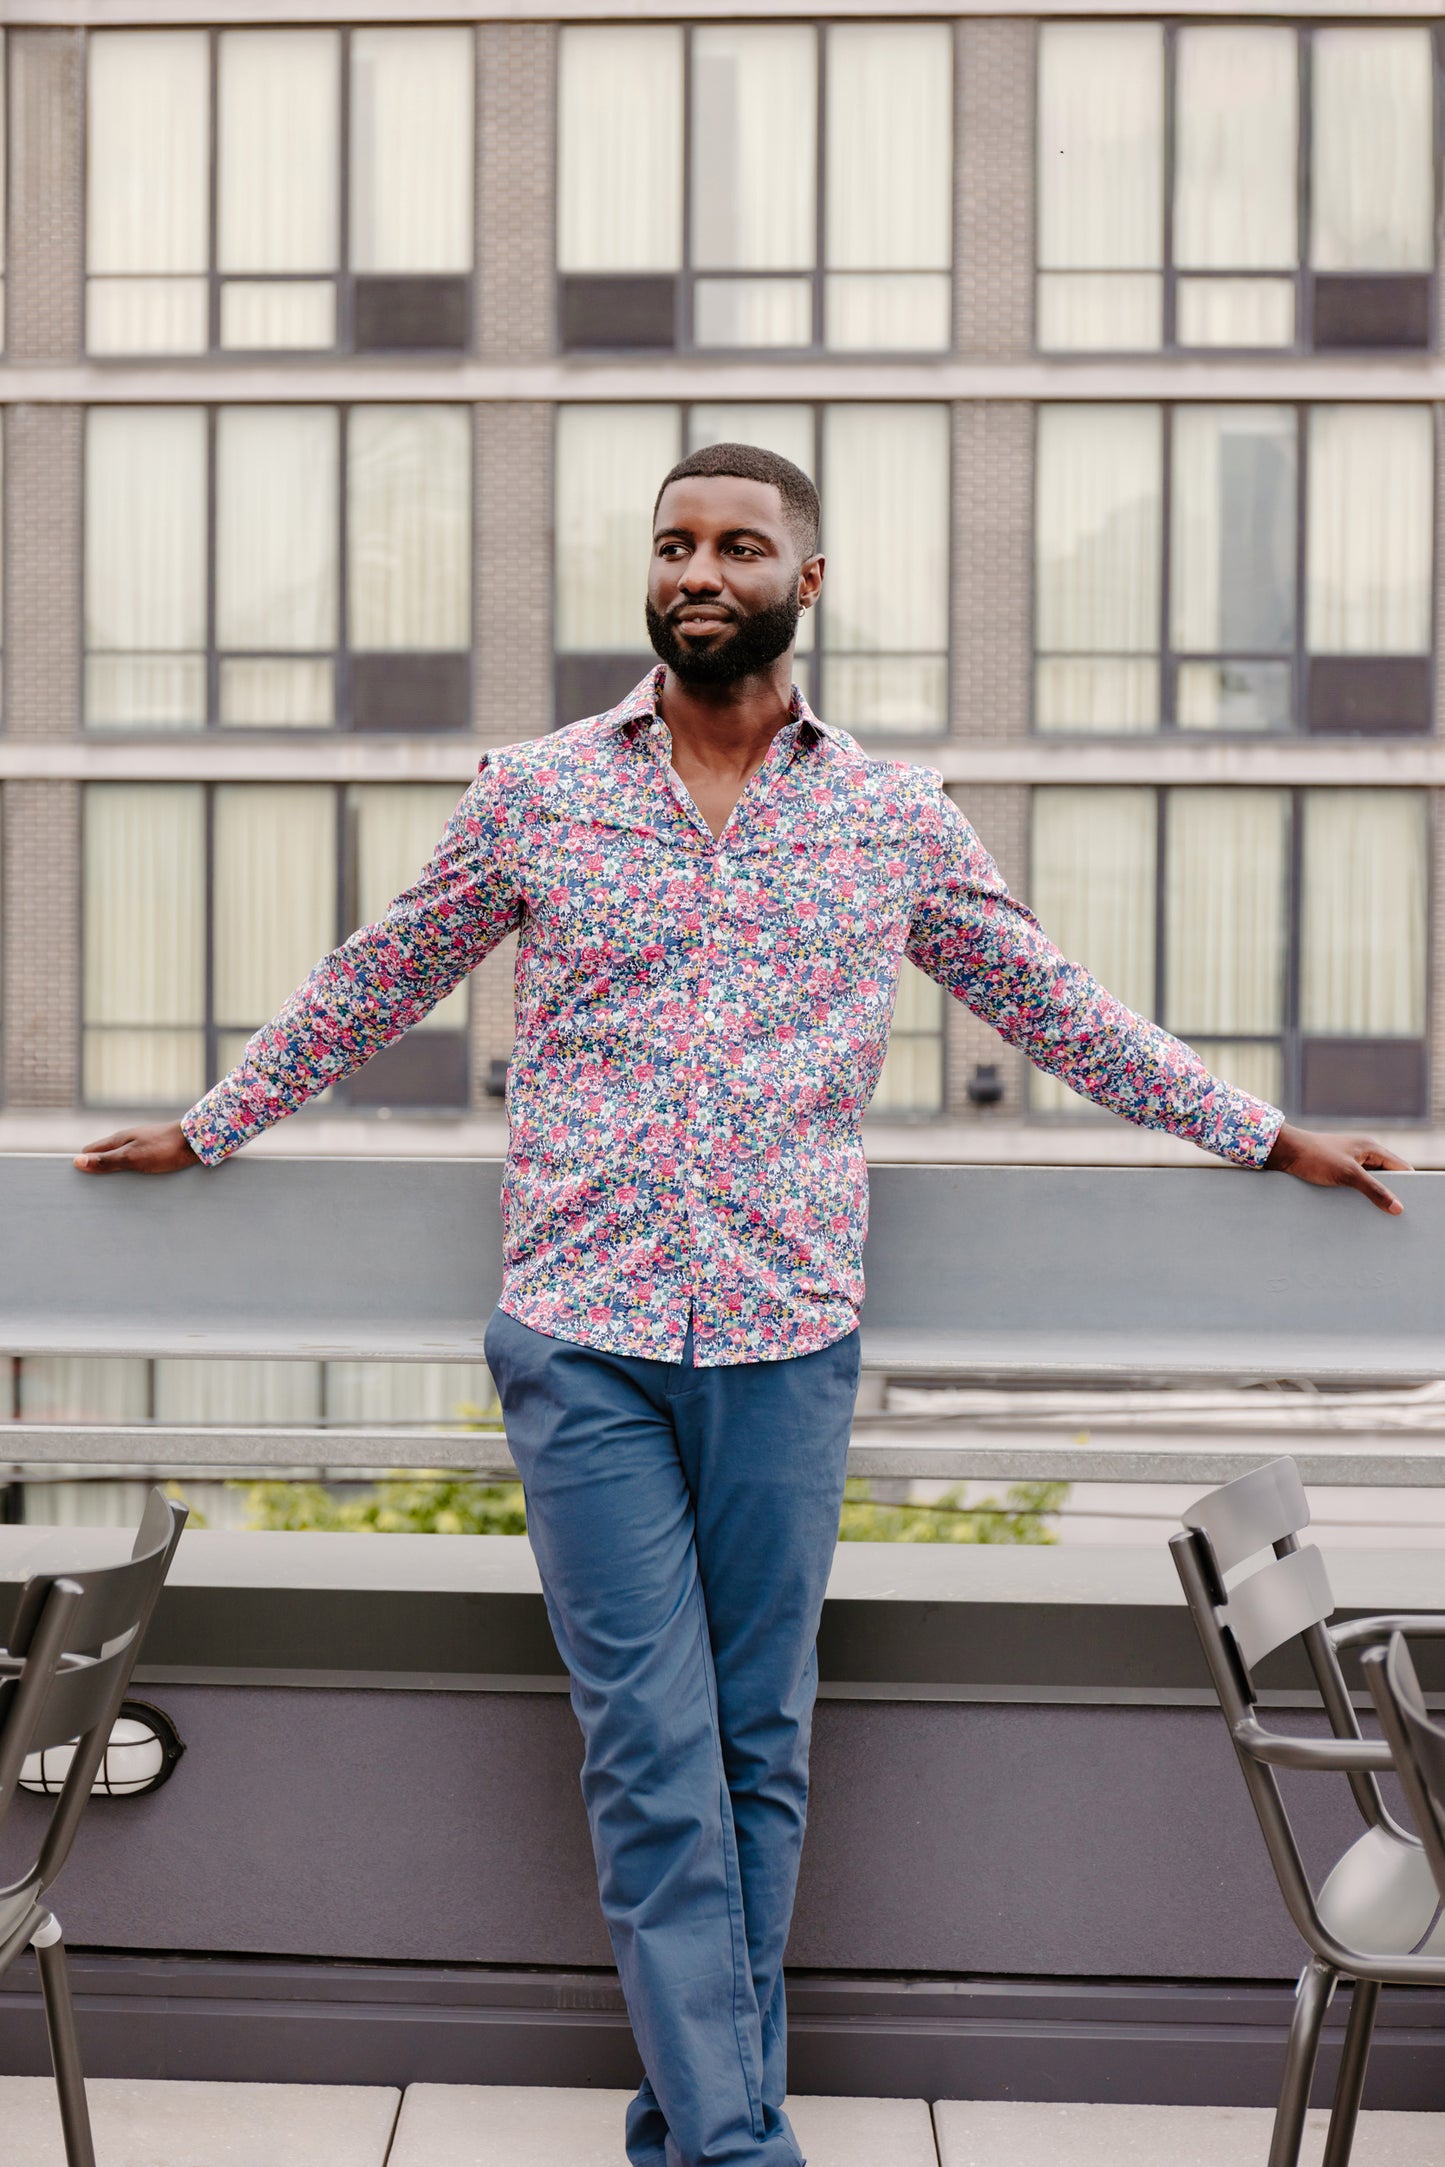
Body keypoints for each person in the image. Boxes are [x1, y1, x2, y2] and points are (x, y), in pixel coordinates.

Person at [74, 441, 1410, 2167]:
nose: (698, 571)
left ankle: (699, 2123)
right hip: (583, 1341)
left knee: (757, 1749)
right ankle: (735, 2150)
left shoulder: (890, 816)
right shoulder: (538, 793)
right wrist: (211, 1123)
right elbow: (378, 970)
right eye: (671, 546)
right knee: (650, 1754)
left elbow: (1059, 1008)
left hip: (785, 1338)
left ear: (806, 581)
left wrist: (1261, 1134)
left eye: (737, 545)